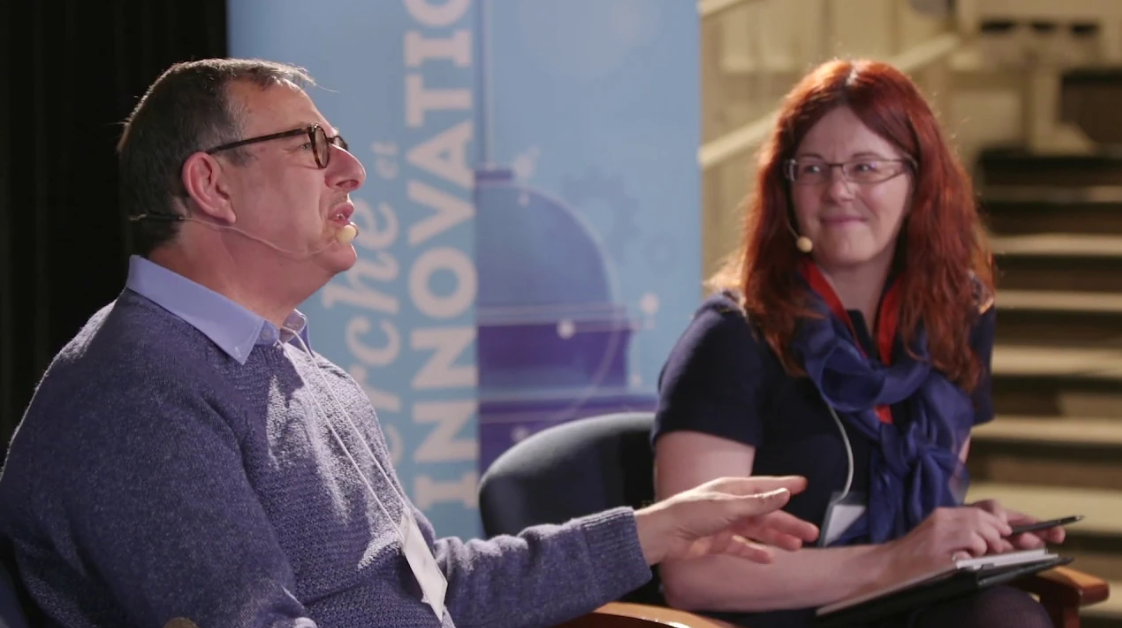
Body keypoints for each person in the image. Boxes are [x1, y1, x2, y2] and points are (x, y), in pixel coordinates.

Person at [0, 58, 820, 628]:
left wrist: (659, 529)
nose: (352, 169)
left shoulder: (295, 366)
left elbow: (438, 588)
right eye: (312, 147)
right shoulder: (142, 393)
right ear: (212, 186)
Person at [652, 58, 1067, 628]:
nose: (838, 189)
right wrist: (901, 556)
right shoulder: (731, 336)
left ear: (919, 181)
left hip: (894, 601)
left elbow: (917, 510)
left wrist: (970, 531)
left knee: (1009, 617)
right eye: (814, 168)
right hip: (780, 616)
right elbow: (693, 574)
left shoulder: (956, 314)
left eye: (866, 166)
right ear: (787, 188)